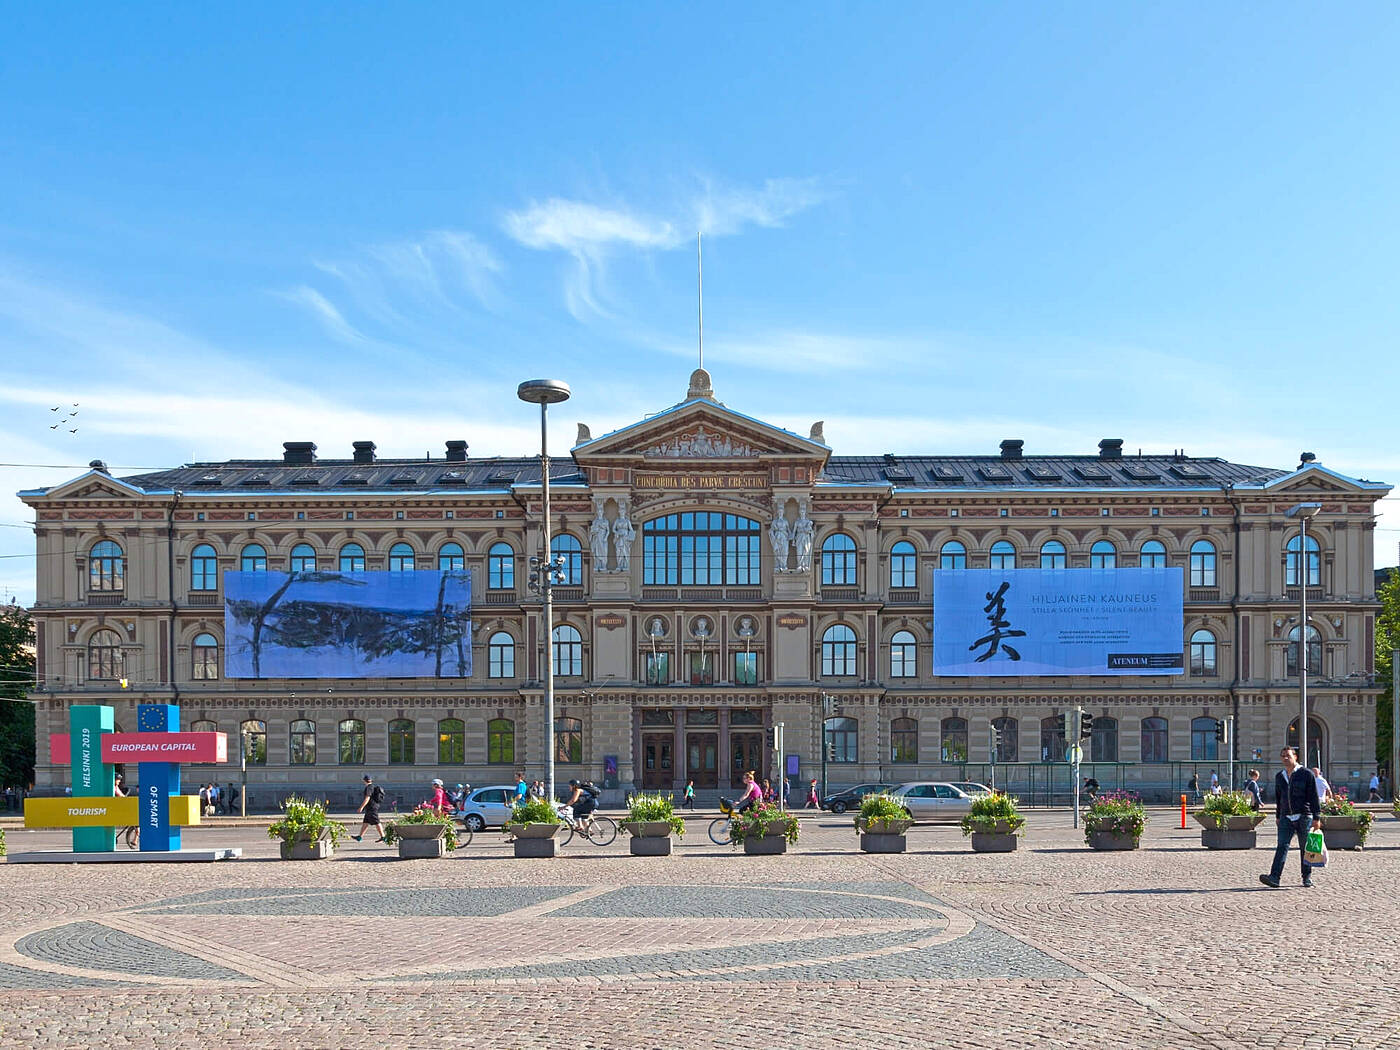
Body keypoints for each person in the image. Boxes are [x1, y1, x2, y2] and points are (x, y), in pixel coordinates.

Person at [1260, 746, 1322, 889]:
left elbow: (1313, 796)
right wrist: (1278, 815)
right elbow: (1279, 798)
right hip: (1285, 817)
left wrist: (1316, 817)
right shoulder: (1280, 776)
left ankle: (1306, 877)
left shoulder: (1306, 774)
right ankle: (1274, 877)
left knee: (1305, 848)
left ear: (1295, 757)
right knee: (1282, 846)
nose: (1285, 758)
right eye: (1282, 756)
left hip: (1304, 816)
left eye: (1288, 755)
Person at [352, 774, 387, 843]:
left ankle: (383, 837)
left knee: (376, 821)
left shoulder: (368, 788)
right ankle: (360, 837)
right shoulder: (372, 787)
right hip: (371, 807)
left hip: (372, 807)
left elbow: (367, 798)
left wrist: (361, 807)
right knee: (366, 822)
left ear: (364, 781)